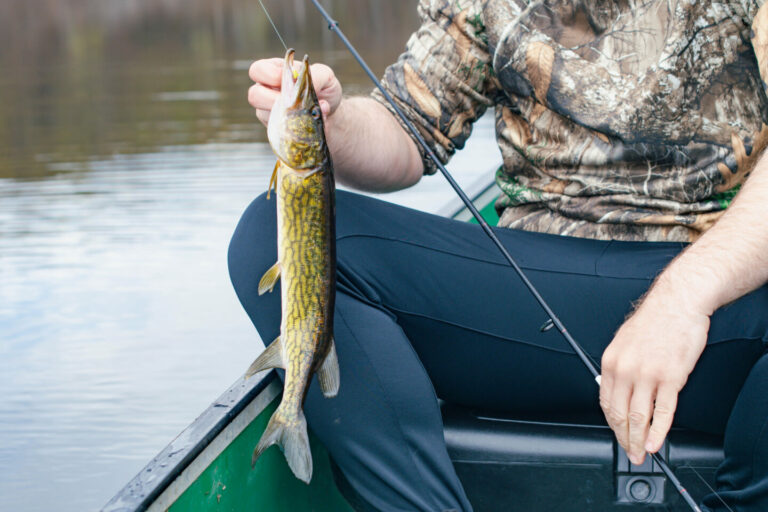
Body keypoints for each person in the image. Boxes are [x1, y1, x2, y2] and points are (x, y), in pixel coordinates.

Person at [229, 1, 768, 510]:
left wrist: (682, 298)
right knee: (268, 233)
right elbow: (406, 129)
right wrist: (329, 122)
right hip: (529, 301)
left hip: (713, 309)